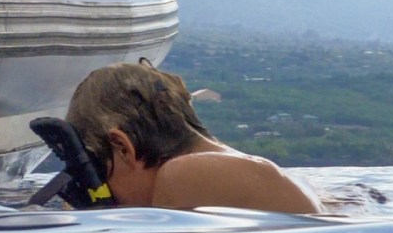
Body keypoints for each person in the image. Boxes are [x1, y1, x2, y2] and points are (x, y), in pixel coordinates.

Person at [64, 60, 318, 214]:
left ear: (122, 147)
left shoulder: (184, 174)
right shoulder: (226, 166)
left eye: (97, 175)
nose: (102, 192)